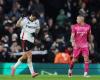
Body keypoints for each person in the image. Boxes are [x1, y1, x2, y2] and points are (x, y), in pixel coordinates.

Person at [11, 10, 40, 77]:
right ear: (32, 16)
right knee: (29, 55)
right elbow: (17, 25)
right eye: (35, 17)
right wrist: (21, 17)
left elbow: (38, 29)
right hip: (24, 39)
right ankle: (32, 73)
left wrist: (36, 33)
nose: (36, 19)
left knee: (25, 56)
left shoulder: (37, 21)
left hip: (31, 40)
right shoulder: (25, 20)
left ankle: (14, 67)